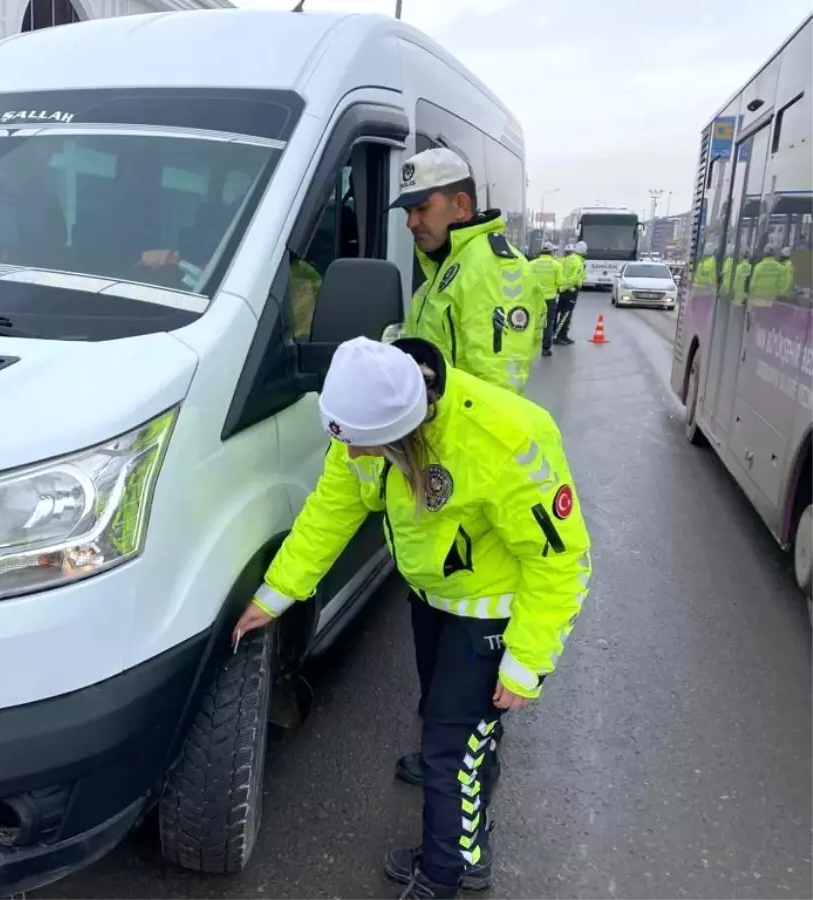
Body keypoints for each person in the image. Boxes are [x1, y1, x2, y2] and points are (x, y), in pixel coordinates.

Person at [233, 337, 593, 900]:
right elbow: (333, 510)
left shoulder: (505, 439)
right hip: (432, 604)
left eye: (364, 447)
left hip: (490, 617)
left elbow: (561, 561)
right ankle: (470, 848)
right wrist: (276, 594)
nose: (353, 457)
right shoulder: (367, 414)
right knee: (462, 734)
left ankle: (443, 876)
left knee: (451, 751)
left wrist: (526, 662)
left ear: (407, 430)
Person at [394, 148, 543, 395]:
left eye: (421, 208)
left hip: (464, 433)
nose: (411, 222)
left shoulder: (491, 270)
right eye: (408, 212)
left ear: (461, 206)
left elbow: (497, 397)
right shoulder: (444, 268)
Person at [529, 242, 564, 357]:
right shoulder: (556, 265)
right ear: (551, 252)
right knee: (548, 323)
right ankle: (545, 348)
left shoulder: (531, 264)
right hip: (550, 299)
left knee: (532, 322)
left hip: (534, 299)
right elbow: (560, 282)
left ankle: (529, 347)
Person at [557, 242, 585, 345]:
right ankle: (559, 336)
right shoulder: (578, 262)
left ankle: (562, 335)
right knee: (566, 315)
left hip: (564, 290)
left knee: (561, 313)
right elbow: (575, 278)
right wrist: (566, 288)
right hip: (571, 290)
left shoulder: (567, 259)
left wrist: (561, 288)